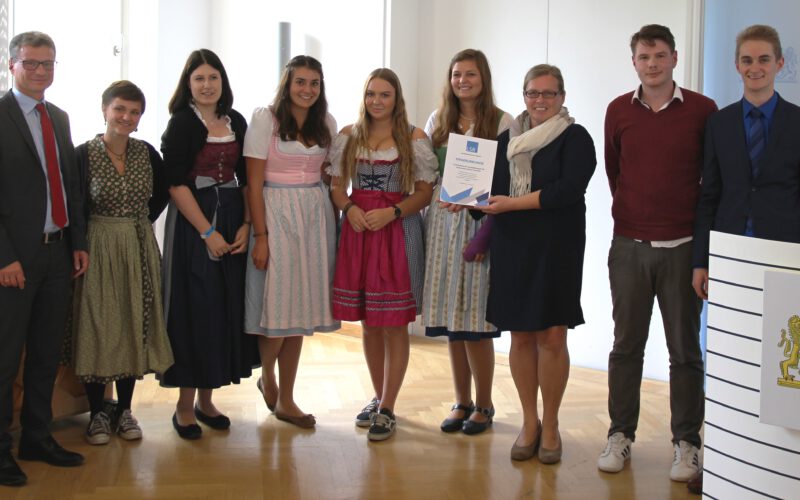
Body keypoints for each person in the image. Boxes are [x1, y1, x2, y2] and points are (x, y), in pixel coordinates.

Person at [598, 25, 717, 482]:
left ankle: (687, 443)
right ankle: (619, 434)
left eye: (660, 55)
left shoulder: (703, 111)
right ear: (634, 62)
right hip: (629, 246)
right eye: (644, 56)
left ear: (674, 59)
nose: (652, 63)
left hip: (683, 249)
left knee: (685, 351)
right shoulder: (617, 111)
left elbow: (710, 179)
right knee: (626, 347)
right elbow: (616, 172)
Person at [692, 26, 798, 492]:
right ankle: (721, 459)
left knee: (779, 362)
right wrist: (701, 262)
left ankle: (779, 463)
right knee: (728, 359)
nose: (755, 68)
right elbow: (708, 194)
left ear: (779, 64)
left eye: (764, 60)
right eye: (747, 60)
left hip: (785, 258)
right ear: (737, 66)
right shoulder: (719, 123)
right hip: (730, 259)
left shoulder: (798, 122)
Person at [481, 64, 596, 464]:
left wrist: (512, 203)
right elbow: (489, 195)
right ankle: (528, 423)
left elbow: (567, 190)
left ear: (562, 97)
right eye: (533, 93)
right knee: (522, 338)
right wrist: (462, 199)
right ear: (524, 96)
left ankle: (551, 424)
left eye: (549, 93)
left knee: (553, 337)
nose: (541, 101)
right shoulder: (504, 141)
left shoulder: (576, 137)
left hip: (557, 247)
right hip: (514, 247)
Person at [328, 68, 437, 441]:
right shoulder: (348, 136)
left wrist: (392, 212)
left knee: (393, 322)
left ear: (396, 98)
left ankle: (389, 405)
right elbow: (336, 185)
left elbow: (423, 191)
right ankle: (378, 397)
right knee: (370, 322)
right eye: (371, 94)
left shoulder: (413, 137)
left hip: (396, 230)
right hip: (359, 230)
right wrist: (350, 208)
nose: (376, 101)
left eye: (384, 95)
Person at [0, 31, 88, 487]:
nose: (40, 71)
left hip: (58, 256)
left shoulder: (60, 116)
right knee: (4, 356)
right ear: (12, 64)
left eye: (48, 64)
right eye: (31, 63)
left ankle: (37, 436)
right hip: (13, 262)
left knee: (46, 354)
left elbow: (68, 185)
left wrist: (78, 242)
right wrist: (4, 257)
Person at [67, 80, 173, 445]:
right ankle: (98, 412)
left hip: (139, 244)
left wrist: (137, 226)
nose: (126, 117)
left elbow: (160, 196)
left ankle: (125, 409)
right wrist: (81, 245)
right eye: (120, 110)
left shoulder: (147, 154)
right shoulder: (83, 155)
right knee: (98, 325)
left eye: (134, 112)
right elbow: (75, 207)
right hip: (98, 246)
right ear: (105, 110)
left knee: (132, 323)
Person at [160, 49, 258, 440]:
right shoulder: (182, 123)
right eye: (198, 78)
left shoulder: (235, 120)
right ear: (188, 84)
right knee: (194, 307)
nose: (206, 85)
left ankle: (206, 399)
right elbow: (175, 184)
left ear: (223, 82)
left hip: (233, 215)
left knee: (221, 308)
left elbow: (248, 177)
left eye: (212, 78)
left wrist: (248, 224)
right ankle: (184, 406)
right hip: (195, 223)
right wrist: (206, 232)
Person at [243, 55, 340, 429]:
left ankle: (287, 397)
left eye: (314, 83)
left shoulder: (326, 123)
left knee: (299, 310)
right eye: (300, 82)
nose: (307, 90)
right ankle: (268, 377)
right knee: (277, 307)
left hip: (315, 214)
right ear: (287, 84)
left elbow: (331, 176)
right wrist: (261, 236)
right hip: (276, 210)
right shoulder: (265, 119)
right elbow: (253, 183)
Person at [421, 48, 512, 435]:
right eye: (457, 74)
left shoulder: (503, 120)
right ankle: (461, 400)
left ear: (483, 78)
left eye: (470, 74)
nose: (463, 81)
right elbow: (425, 172)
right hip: (443, 220)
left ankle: (486, 404)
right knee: (451, 320)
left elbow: (509, 178)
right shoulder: (438, 120)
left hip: (480, 221)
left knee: (476, 319)